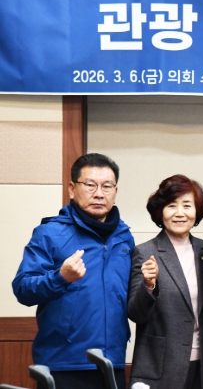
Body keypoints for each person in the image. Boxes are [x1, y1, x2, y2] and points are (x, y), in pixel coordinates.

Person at [12, 153, 134, 389]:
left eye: (107, 186)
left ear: (115, 191)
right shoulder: (50, 233)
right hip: (63, 364)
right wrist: (60, 278)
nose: (99, 194)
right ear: (71, 188)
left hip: (112, 361)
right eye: (90, 185)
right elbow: (23, 289)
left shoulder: (124, 237)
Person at [127, 175, 203, 389]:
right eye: (171, 206)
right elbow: (136, 314)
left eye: (187, 205)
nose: (180, 213)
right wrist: (148, 285)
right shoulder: (145, 252)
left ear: (197, 211)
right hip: (161, 367)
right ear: (160, 211)